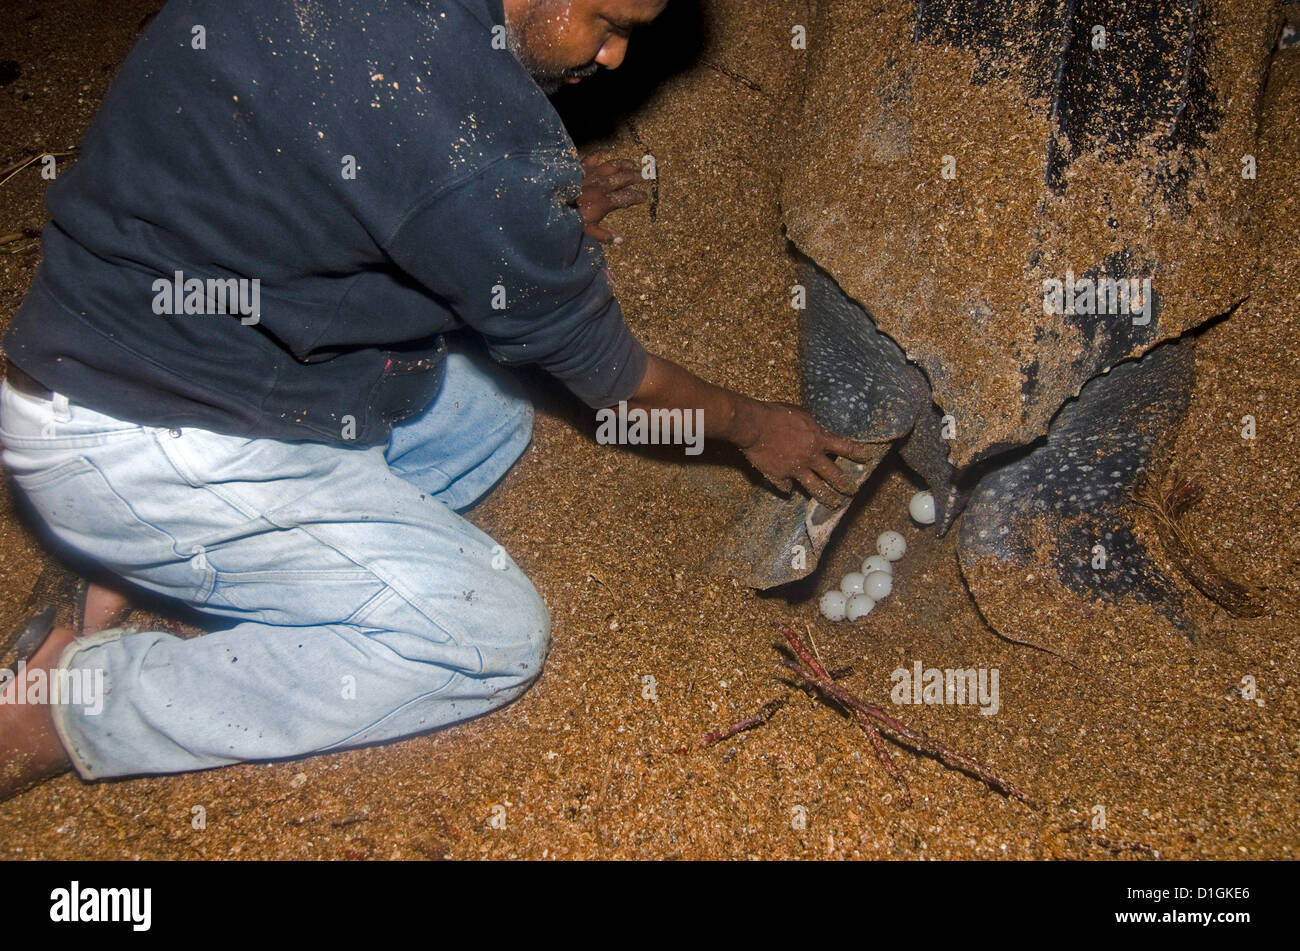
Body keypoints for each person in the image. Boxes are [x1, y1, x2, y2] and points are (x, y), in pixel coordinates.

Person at [0, 0, 867, 799]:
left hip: (145, 319)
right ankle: (68, 703)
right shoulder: (468, 143)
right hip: (126, 426)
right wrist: (756, 428)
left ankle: (168, 558)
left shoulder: (427, 87)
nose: (615, 52)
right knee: (486, 638)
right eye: (607, 20)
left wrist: (515, 225)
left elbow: (344, 157)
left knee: (488, 416)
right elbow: (614, 381)